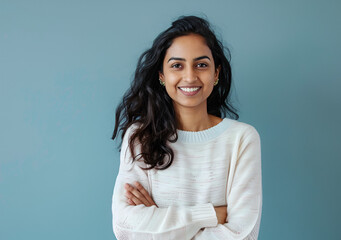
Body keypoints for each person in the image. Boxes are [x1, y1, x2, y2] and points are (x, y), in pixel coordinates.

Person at [111, 15, 262, 240]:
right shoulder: (140, 137)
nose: (190, 76)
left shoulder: (241, 139)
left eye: (201, 65)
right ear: (162, 75)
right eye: (177, 66)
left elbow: (244, 235)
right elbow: (125, 228)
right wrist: (210, 214)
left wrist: (160, 224)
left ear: (216, 73)